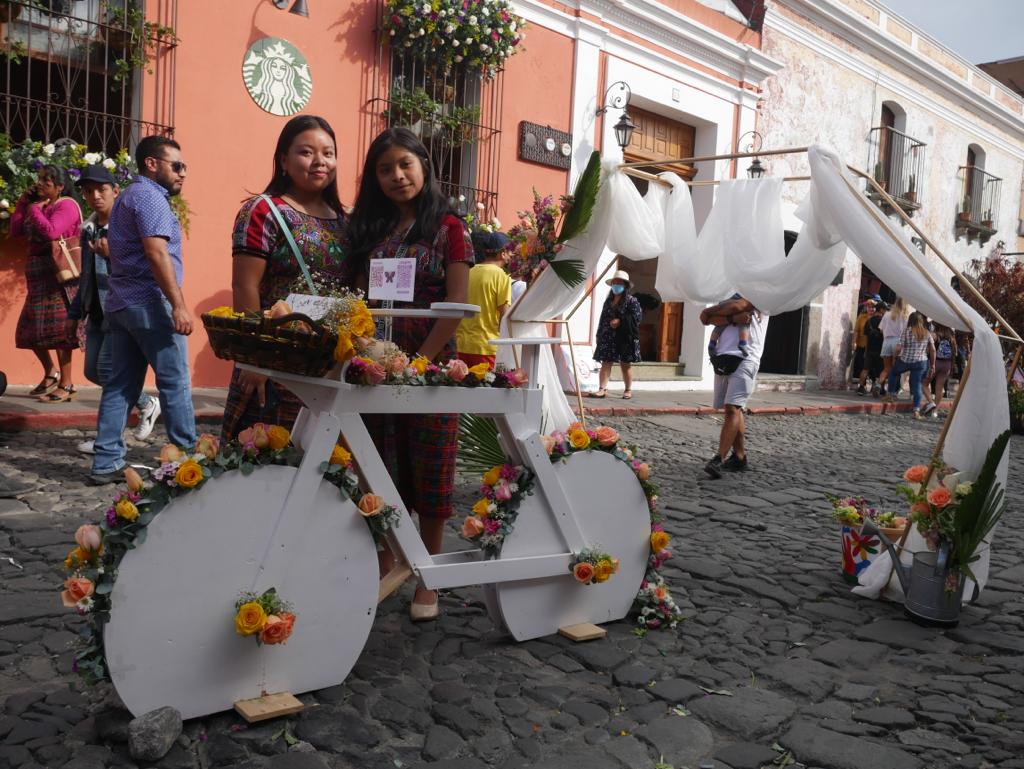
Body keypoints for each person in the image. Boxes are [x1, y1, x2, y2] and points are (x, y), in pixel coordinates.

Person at [347, 127, 473, 621]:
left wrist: (422, 360)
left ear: (424, 165)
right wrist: (368, 351)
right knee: (378, 459)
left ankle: (429, 572)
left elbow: (457, 303)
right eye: (384, 169)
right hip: (378, 359)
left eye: (405, 164)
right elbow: (359, 299)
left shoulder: (448, 226)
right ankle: (385, 557)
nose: (396, 176)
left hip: (433, 362)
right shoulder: (372, 230)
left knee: (430, 459)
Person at [221, 115, 350, 438]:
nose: (320, 161)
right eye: (306, 152)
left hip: (329, 363)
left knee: (323, 463)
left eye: (328, 153)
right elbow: (244, 285)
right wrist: (255, 358)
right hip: (275, 359)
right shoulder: (263, 211)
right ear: (283, 159)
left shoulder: (347, 222)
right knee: (267, 459)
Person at [89, 136, 196, 484]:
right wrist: (179, 305)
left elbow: (126, 250)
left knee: (119, 386)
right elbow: (155, 253)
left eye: (184, 167)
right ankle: (187, 461)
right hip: (151, 305)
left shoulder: (125, 199)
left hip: (121, 304)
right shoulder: (150, 197)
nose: (182, 173)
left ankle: (106, 460)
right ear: (152, 164)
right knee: (174, 382)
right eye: (176, 166)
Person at [67, 165, 161, 454]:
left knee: (110, 372)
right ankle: (146, 403)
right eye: (88, 191)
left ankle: (107, 442)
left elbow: (135, 272)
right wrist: (75, 313)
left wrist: (110, 257)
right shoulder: (89, 230)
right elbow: (85, 275)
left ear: (115, 192)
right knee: (94, 371)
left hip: (119, 312)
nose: (94, 196)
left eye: (101, 190)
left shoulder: (126, 229)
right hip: (95, 312)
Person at [9, 164, 82, 402]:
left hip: (57, 276)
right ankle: (51, 372)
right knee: (28, 331)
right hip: (37, 277)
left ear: (60, 187)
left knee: (61, 331)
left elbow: (52, 232)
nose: (40, 184)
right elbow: (17, 230)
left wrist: (34, 209)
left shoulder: (67, 205)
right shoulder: (39, 206)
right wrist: (22, 203)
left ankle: (67, 383)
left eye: (46, 182)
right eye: (39, 179)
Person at [700, 294, 769, 478]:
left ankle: (718, 459)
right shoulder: (728, 297)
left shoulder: (761, 296)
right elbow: (705, 319)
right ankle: (739, 457)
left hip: (746, 358)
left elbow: (739, 306)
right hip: (722, 357)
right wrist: (729, 316)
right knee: (734, 409)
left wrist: (715, 311)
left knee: (732, 408)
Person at [456, 228, 512, 368]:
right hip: (487, 346)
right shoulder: (501, 276)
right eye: (510, 251)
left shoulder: (469, 271)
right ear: (502, 253)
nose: (512, 255)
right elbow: (504, 317)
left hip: (461, 345)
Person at [589, 270, 642, 399]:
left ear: (625, 286)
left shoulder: (632, 301)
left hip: (624, 338)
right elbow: (603, 319)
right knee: (606, 362)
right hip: (608, 337)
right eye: (614, 282)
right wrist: (599, 334)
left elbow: (637, 318)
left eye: (619, 283)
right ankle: (602, 389)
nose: (616, 285)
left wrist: (620, 321)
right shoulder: (608, 302)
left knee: (625, 364)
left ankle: (628, 390)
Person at [886, 311, 934, 419]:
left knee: (894, 372)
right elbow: (933, 350)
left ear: (910, 320)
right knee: (917, 385)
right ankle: (916, 410)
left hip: (905, 360)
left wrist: (894, 358)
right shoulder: (927, 332)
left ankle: (891, 395)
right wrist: (933, 364)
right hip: (921, 362)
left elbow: (898, 348)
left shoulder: (907, 331)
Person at [878, 297, 909, 398]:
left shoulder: (887, 314)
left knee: (886, 368)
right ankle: (892, 391)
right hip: (898, 342)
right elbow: (905, 333)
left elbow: (881, 329)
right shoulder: (904, 317)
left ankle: (879, 385)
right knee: (896, 369)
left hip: (886, 341)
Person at [708, 292, 750, 360]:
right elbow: (755, 303)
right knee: (744, 323)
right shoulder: (745, 289)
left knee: (719, 325)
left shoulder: (727, 287)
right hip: (738, 302)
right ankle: (742, 342)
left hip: (724, 303)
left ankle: (712, 343)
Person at [928, 324, 957, 413]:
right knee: (939, 388)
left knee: (924, 383)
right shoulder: (952, 338)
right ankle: (935, 411)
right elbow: (955, 354)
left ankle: (931, 402)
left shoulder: (935, 335)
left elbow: (930, 349)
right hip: (947, 364)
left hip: (936, 362)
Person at [863, 301, 887, 396]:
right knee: (882, 370)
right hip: (880, 350)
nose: (885, 311)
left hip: (869, 349)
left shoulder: (868, 321)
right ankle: (881, 388)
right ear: (881, 310)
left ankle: (861, 387)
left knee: (865, 369)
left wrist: (865, 349)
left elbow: (865, 336)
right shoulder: (883, 321)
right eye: (884, 309)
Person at [852, 298, 875, 394]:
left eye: (873, 307)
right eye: (869, 306)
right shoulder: (861, 317)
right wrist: (854, 342)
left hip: (872, 346)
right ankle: (862, 386)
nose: (871, 308)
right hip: (862, 344)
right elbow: (856, 330)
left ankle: (874, 385)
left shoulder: (877, 318)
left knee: (872, 367)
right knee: (861, 365)